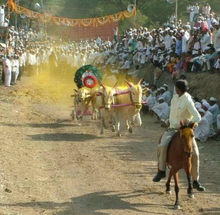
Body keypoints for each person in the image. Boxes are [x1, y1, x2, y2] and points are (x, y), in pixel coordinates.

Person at [153, 79, 205, 192]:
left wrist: (188, 124)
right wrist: (168, 121)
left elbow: (198, 117)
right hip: (172, 128)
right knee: (163, 145)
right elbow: (172, 114)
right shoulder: (174, 98)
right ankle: (161, 171)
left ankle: (195, 181)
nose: (175, 89)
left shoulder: (188, 100)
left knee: (195, 154)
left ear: (179, 89)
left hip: (184, 130)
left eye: (176, 87)